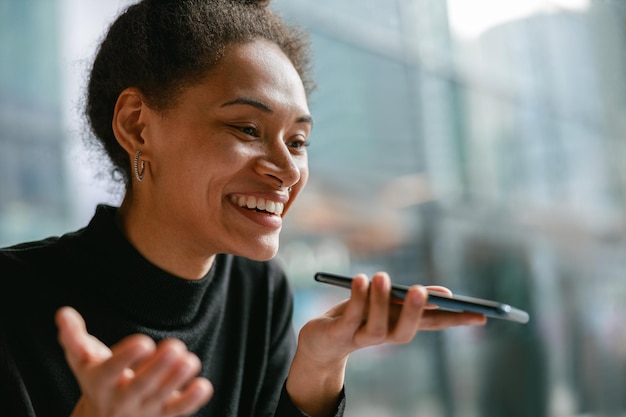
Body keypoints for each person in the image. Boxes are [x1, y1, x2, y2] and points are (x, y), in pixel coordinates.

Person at [0, 0, 487, 416]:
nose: (288, 169)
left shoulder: (259, 290)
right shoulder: (13, 300)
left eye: (297, 141)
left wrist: (319, 364)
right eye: (247, 130)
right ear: (137, 126)